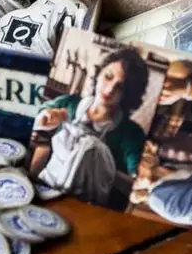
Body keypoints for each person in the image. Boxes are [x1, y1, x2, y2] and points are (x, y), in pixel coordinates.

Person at [29, 47, 150, 206]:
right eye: (108, 77)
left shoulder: (131, 134)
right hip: (46, 189)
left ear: (129, 94)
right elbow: (32, 115)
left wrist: (101, 167)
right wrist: (47, 117)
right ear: (99, 74)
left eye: (120, 87)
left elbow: (136, 178)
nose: (110, 89)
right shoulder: (69, 104)